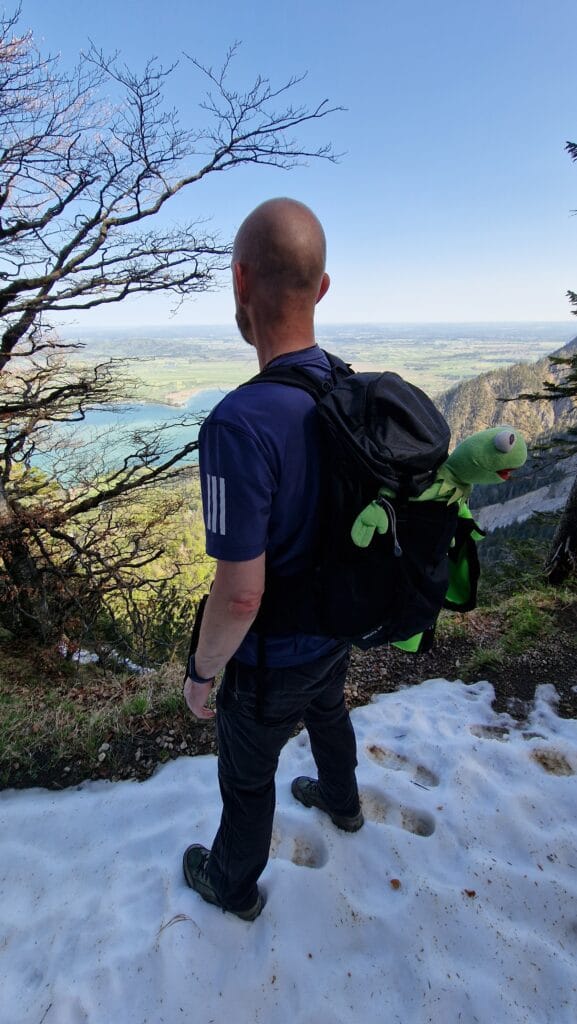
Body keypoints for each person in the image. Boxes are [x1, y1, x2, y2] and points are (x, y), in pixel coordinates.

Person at [182, 197, 363, 922]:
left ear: (240, 281)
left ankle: (230, 884)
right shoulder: (347, 385)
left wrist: (201, 673)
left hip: (270, 660)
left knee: (248, 778)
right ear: (322, 288)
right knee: (329, 709)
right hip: (336, 625)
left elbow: (239, 596)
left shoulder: (238, 422)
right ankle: (343, 802)